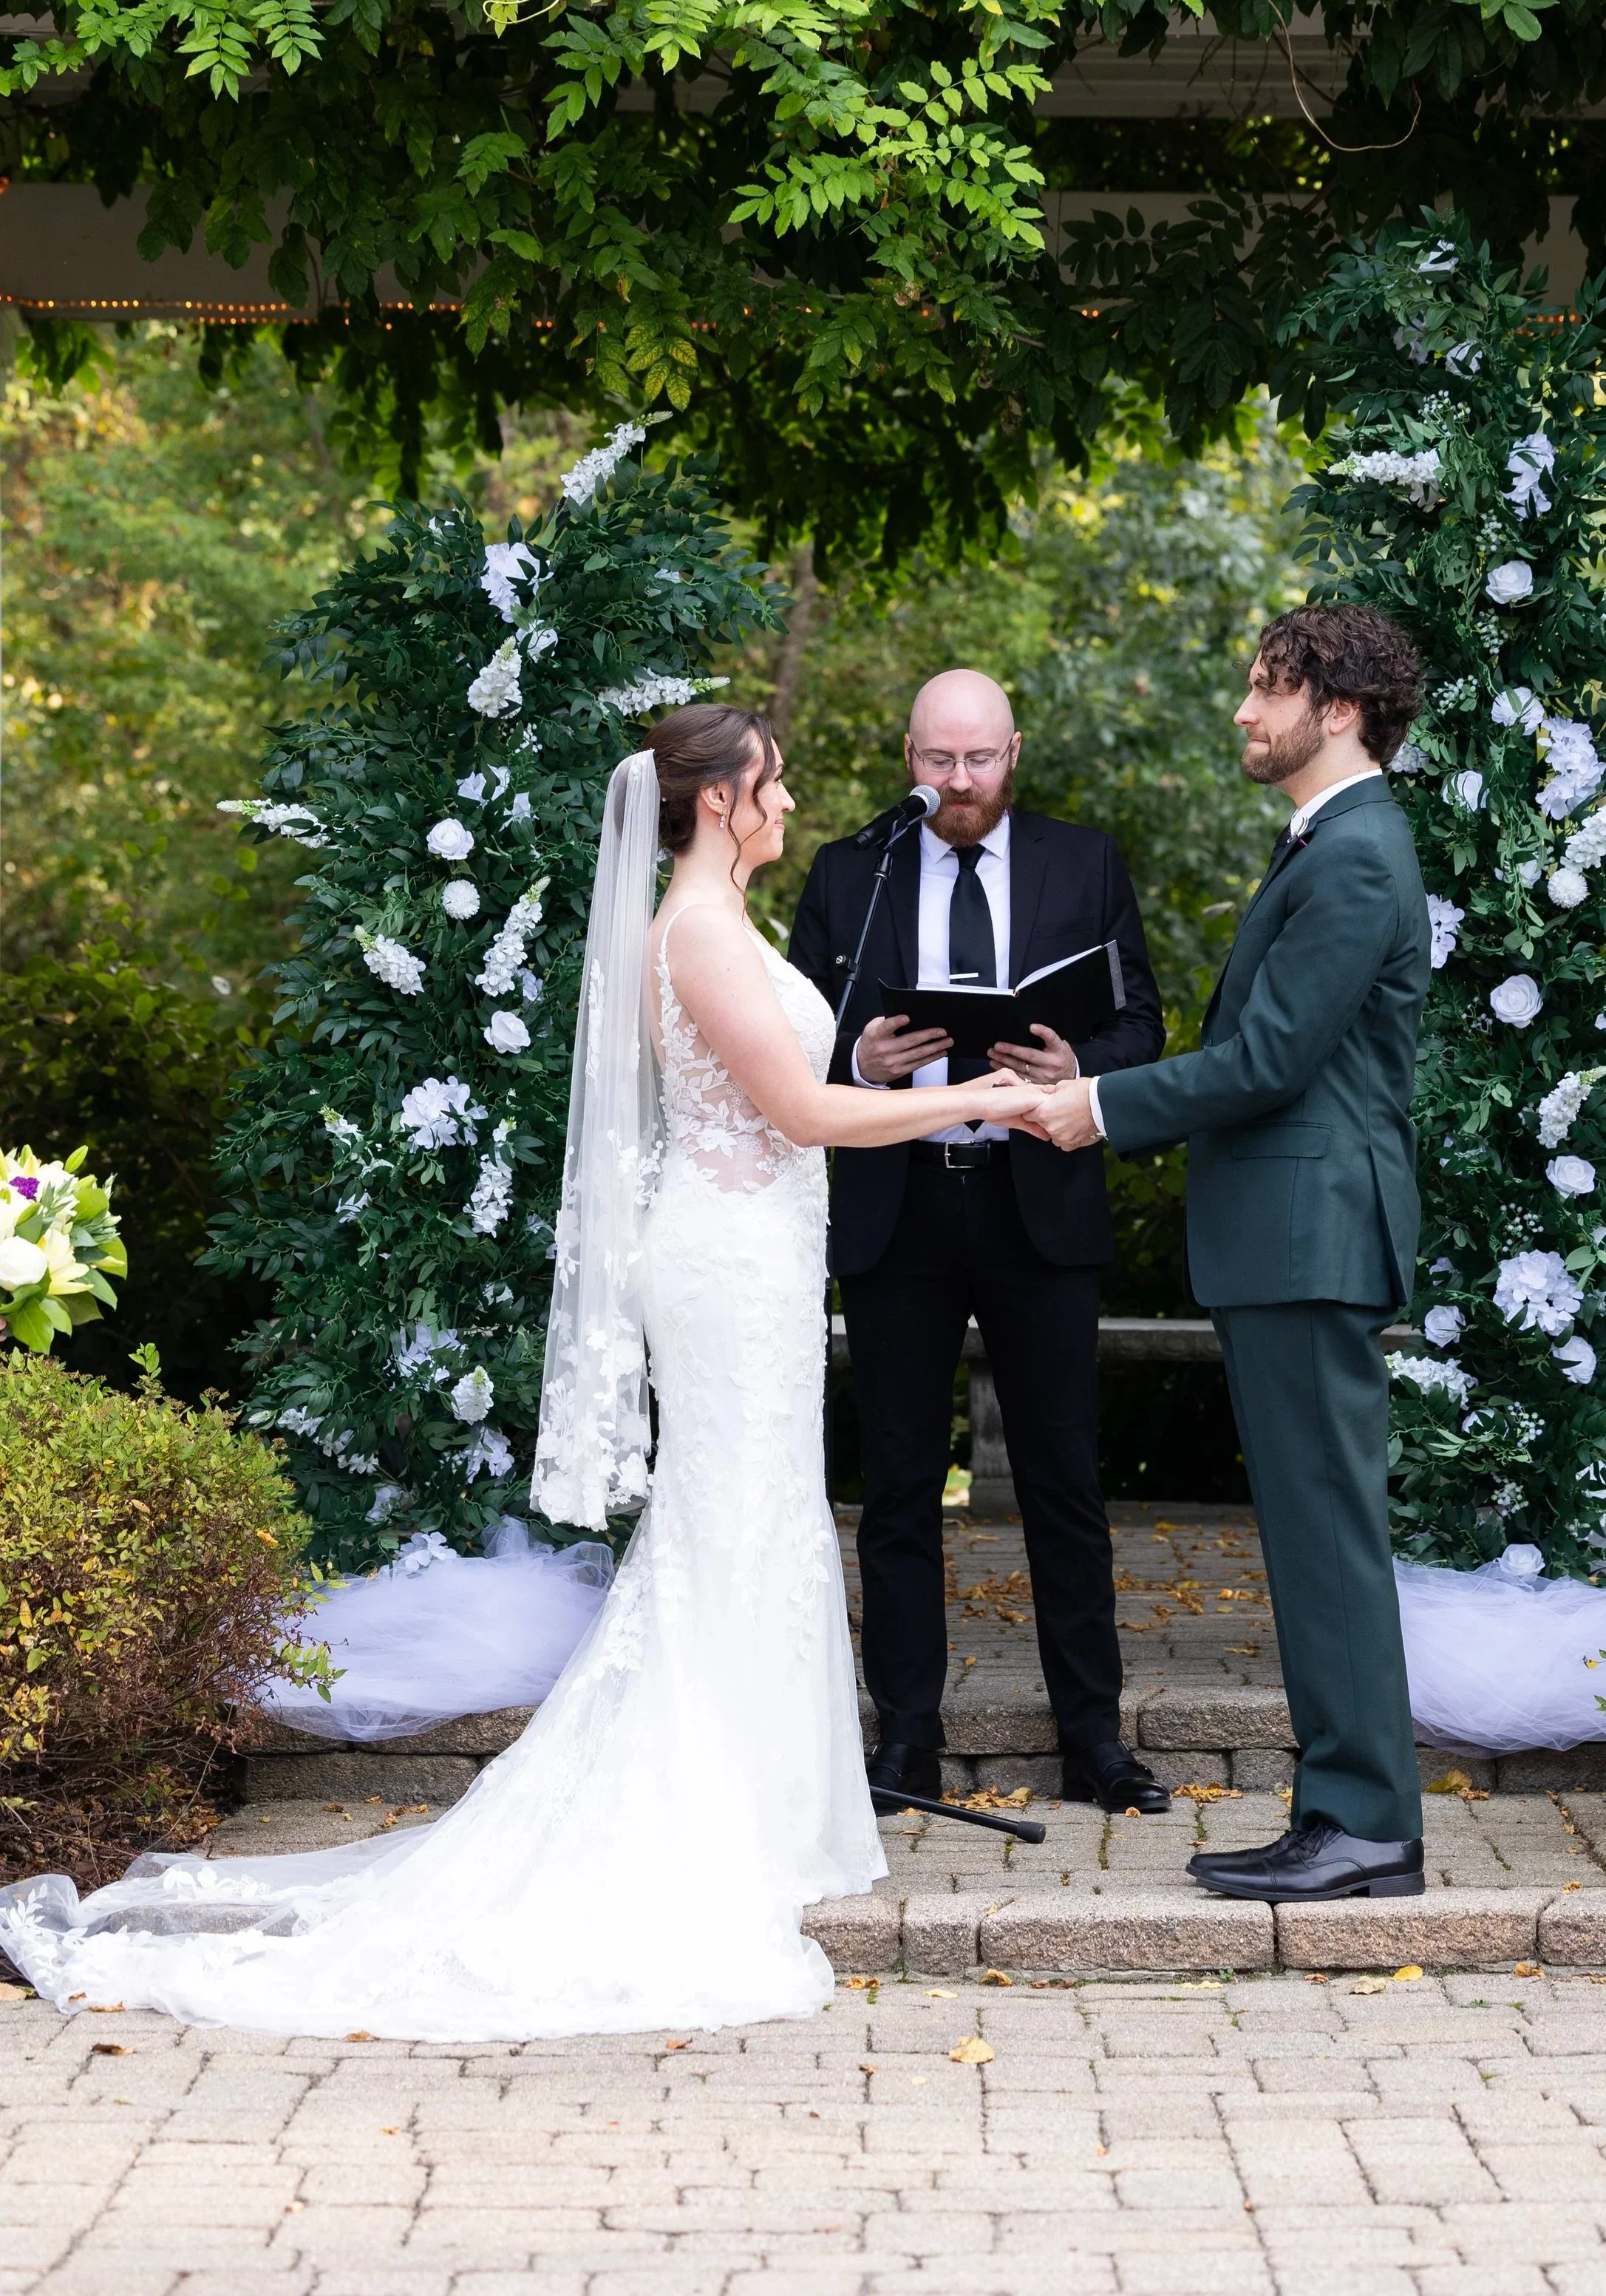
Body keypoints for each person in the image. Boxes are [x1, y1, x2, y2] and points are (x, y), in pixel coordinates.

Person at [0, 706, 1042, 2037]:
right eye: (772, 782)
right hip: (723, 1266)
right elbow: (801, 1114)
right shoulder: (705, 933)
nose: (789, 801)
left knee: (761, 1514)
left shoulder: (713, 927)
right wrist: (983, 1099)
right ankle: (713, 1814)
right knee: (732, 1517)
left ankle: (768, 1807)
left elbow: (784, 1092)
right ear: (720, 801)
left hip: (758, 1258)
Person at [1025, 605, 1432, 1903]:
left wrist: (1097, 1106)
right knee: (1314, 1538)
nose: (1246, 714)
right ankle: (1341, 1814)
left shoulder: (1359, 853)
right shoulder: (1331, 842)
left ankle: (1366, 1823)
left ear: (1344, 709)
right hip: (1288, 1241)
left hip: (1312, 1237)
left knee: (1329, 1539)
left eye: (1270, 691)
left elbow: (1270, 1062)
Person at [789, 668, 1168, 1818]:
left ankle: (1093, 1740)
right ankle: (905, 1736)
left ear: (1016, 753)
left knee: (1065, 1482)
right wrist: (860, 1062)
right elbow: (795, 1026)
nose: (960, 784)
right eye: (939, 762)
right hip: (897, 1203)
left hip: (1035, 1198)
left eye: (980, 761)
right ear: (908, 755)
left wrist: (1082, 1069)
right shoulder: (850, 871)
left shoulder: (1084, 861)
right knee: (899, 1484)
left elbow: (1141, 1017)